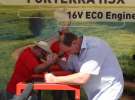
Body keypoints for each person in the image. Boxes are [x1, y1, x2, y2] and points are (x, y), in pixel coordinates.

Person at [45, 33, 124, 100]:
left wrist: (54, 79)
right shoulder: (75, 50)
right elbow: (68, 67)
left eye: (68, 51)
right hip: (95, 92)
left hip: (109, 88)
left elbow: (82, 78)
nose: (68, 54)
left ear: (74, 43)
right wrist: (57, 60)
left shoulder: (95, 47)